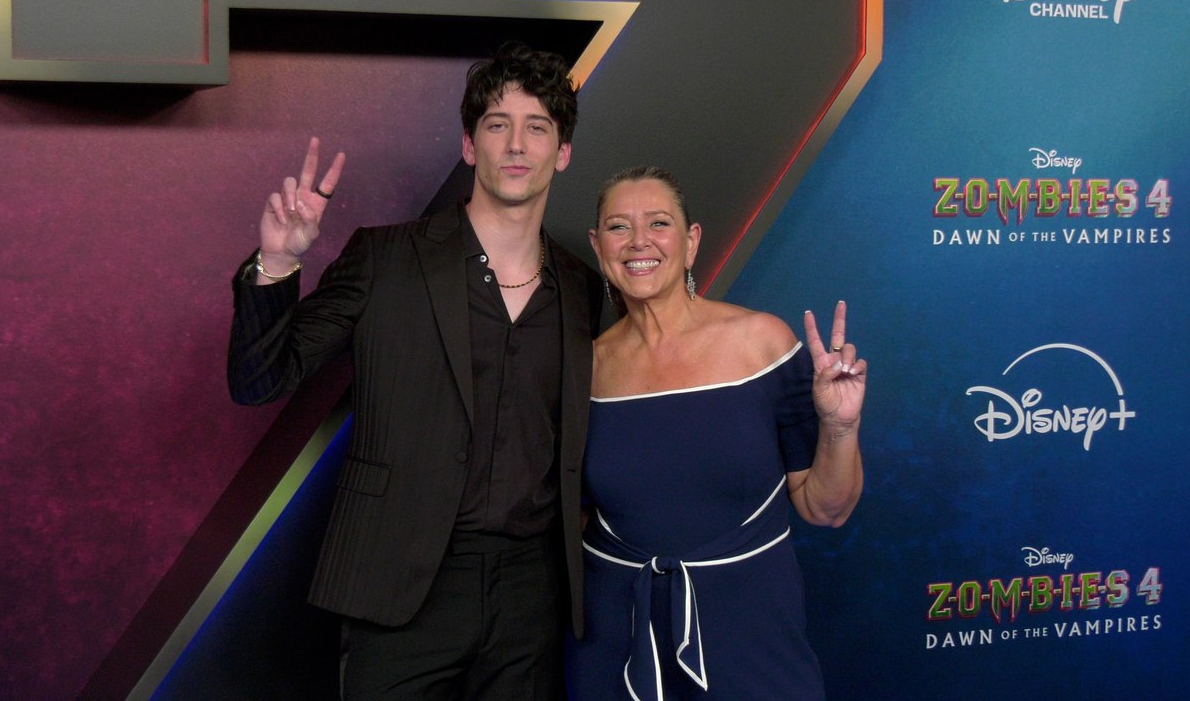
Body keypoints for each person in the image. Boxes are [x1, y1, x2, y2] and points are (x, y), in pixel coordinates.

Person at [227, 42, 606, 700]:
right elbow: (260, 378)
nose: (517, 143)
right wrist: (277, 263)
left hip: (531, 596)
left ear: (562, 152)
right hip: (398, 584)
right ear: (469, 145)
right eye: (497, 124)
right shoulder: (385, 259)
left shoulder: (581, 287)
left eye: (537, 126)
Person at [566, 166, 865, 700]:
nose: (639, 242)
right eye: (617, 227)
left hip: (750, 640)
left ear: (691, 241)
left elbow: (827, 508)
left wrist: (840, 426)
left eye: (658, 223)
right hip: (619, 643)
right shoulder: (582, 370)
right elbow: (577, 513)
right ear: (597, 244)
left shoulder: (761, 343)